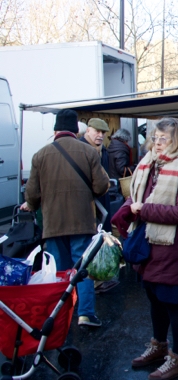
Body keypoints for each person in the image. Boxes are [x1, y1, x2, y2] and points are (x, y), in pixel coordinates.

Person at [111, 117, 178, 380]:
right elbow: (137, 196)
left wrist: (143, 210)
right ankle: (159, 347)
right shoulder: (149, 162)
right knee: (155, 299)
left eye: (165, 139)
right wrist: (128, 209)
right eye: (155, 138)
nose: (158, 143)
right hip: (148, 244)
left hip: (173, 247)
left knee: (174, 303)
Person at [21, 109, 110, 327]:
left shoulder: (40, 155)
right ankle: (86, 314)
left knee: (58, 272)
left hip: (53, 224)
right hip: (82, 221)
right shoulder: (89, 152)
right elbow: (101, 186)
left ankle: (59, 317)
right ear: (76, 130)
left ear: (55, 130)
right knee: (83, 269)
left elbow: (32, 194)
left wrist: (32, 205)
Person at [81, 118, 112, 232]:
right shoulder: (80, 149)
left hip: (102, 200)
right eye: (97, 131)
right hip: (86, 203)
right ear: (88, 130)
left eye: (103, 132)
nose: (100, 135)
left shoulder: (103, 151)